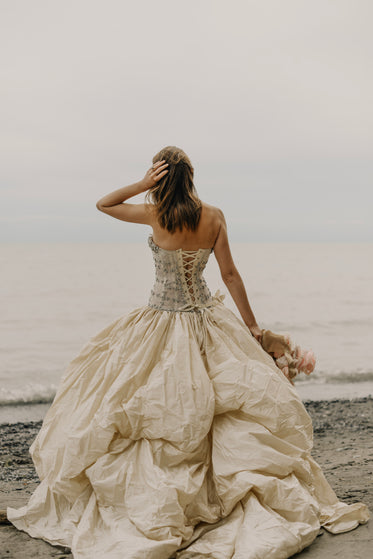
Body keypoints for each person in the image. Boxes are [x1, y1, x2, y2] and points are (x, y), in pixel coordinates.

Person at [5, 146, 370, 558]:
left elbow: (104, 204)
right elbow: (230, 274)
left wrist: (143, 185)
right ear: (193, 175)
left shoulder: (154, 213)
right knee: (219, 405)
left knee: (149, 405)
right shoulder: (213, 215)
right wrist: (252, 328)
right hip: (205, 318)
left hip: (160, 319)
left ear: (159, 177)